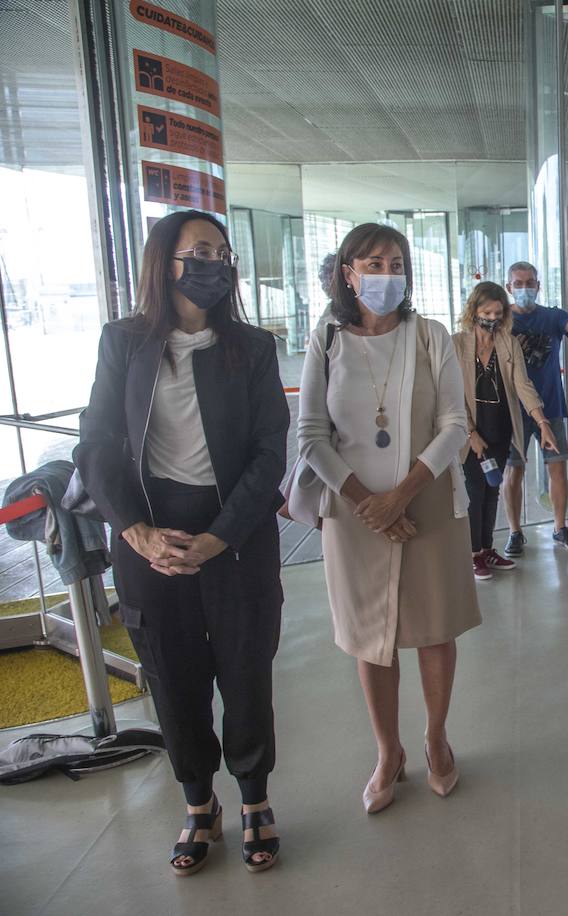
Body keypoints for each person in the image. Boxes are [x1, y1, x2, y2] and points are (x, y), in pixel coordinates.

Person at [75, 210, 289, 876]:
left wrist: (219, 538)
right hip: (150, 534)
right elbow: (99, 442)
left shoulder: (251, 348)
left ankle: (253, 798)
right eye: (200, 251)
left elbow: (267, 453)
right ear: (164, 262)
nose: (214, 264)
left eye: (223, 254)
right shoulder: (124, 342)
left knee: (246, 671)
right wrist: (134, 530)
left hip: (235, 534)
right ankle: (199, 803)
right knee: (172, 677)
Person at [298, 223, 480, 814]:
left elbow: (455, 424)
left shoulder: (429, 337)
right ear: (348, 273)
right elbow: (310, 435)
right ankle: (388, 752)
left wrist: (401, 494)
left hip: (425, 500)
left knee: (433, 629)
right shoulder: (326, 339)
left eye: (396, 262)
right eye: (373, 263)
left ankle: (435, 738)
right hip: (354, 513)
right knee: (369, 639)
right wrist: (364, 500)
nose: (386, 273)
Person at [453, 282, 558, 580]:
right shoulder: (457, 344)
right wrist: (470, 433)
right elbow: (450, 394)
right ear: (474, 312)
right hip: (470, 432)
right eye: (486, 312)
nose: (492, 318)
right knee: (475, 490)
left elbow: (523, 385)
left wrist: (542, 423)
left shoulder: (507, 344)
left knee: (491, 489)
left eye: (498, 312)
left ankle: (486, 548)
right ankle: (472, 554)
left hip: (500, 428)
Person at [502, 262, 568, 555]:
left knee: (557, 468)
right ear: (509, 288)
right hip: (514, 412)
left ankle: (560, 527)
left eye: (530, 282)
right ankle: (515, 532)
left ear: (538, 286)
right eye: (519, 283)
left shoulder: (552, 317)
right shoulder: (502, 322)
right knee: (513, 473)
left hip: (550, 408)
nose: (525, 288)